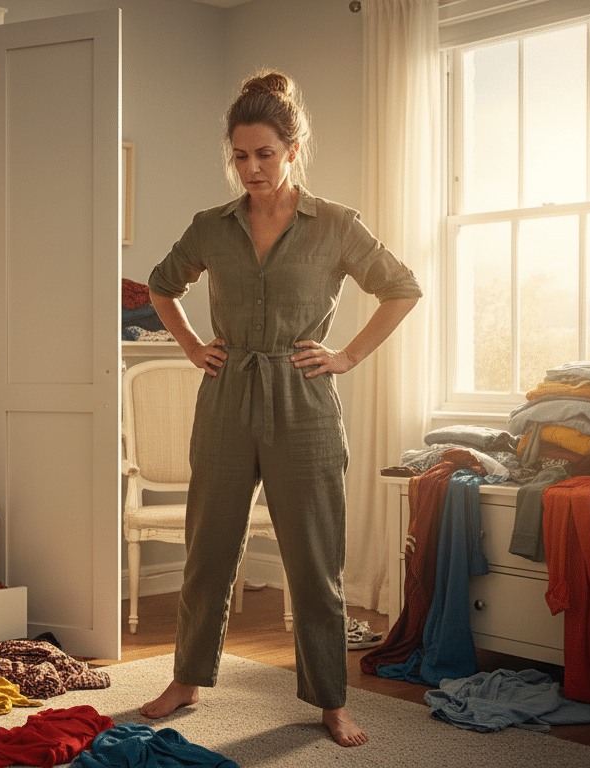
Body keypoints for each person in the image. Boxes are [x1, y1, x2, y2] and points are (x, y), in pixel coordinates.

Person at [138, 71, 422, 748]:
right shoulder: (212, 227)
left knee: (315, 559)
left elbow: (402, 289)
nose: (252, 168)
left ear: (293, 149)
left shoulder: (337, 225)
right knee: (208, 552)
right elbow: (160, 285)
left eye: (265, 153)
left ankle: (330, 699)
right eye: (241, 155)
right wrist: (190, 346)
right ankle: (187, 679)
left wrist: (347, 356)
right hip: (227, 395)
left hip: (305, 404)